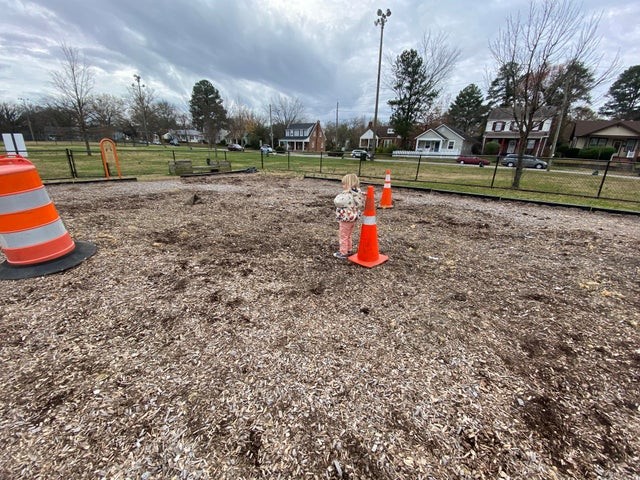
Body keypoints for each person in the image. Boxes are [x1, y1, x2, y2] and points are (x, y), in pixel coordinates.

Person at [333, 173, 364, 259]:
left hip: (346, 218)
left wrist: (341, 194)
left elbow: (337, 201)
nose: (343, 186)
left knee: (343, 235)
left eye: (344, 184)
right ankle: (349, 249)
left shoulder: (347, 195)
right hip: (353, 218)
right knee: (348, 235)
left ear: (349, 184)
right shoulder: (357, 194)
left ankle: (343, 252)